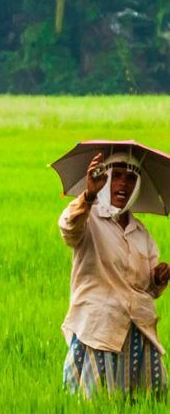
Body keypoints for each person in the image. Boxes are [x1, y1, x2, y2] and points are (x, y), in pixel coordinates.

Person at [60, 150, 170, 396]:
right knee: (95, 406)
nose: (124, 184)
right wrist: (88, 195)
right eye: (117, 175)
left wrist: (158, 278)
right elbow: (68, 228)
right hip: (99, 328)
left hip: (138, 332)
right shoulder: (89, 219)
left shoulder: (140, 232)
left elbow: (148, 287)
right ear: (105, 179)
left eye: (131, 178)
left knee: (145, 403)